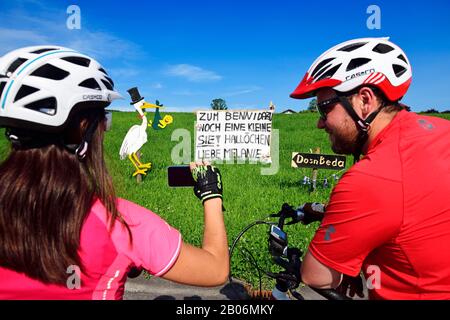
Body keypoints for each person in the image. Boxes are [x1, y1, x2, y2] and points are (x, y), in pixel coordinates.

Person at [0, 46, 229, 300]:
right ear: (85, 129)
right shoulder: (123, 225)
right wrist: (211, 194)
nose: (106, 128)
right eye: (104, 119)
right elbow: (216, 270)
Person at [290, 37, 450, 299]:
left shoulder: (369, 177)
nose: (320, 123)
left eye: (324, 108)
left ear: (364, 100)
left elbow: (315, 275)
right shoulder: (442, 130)